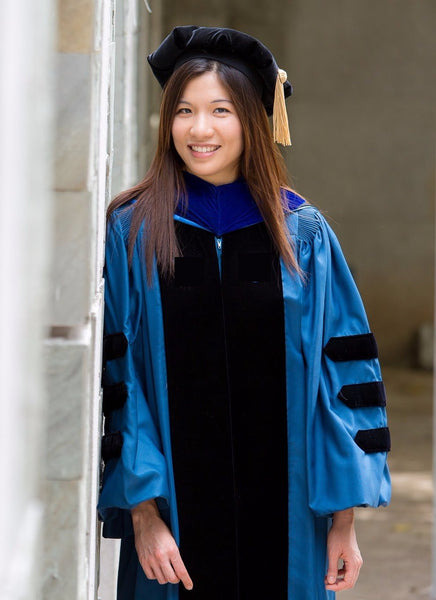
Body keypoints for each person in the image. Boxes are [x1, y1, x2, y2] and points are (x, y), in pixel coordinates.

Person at [98, 25, 391, 600]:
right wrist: (143, 514)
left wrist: (343, 522)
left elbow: (343, 379)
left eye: (220, 111)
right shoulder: (133, 230)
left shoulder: (302, 234)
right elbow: (120, 377)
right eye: (183, 110)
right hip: (173, 522)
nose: (199, 129)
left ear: (254, 121)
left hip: (288, 529)